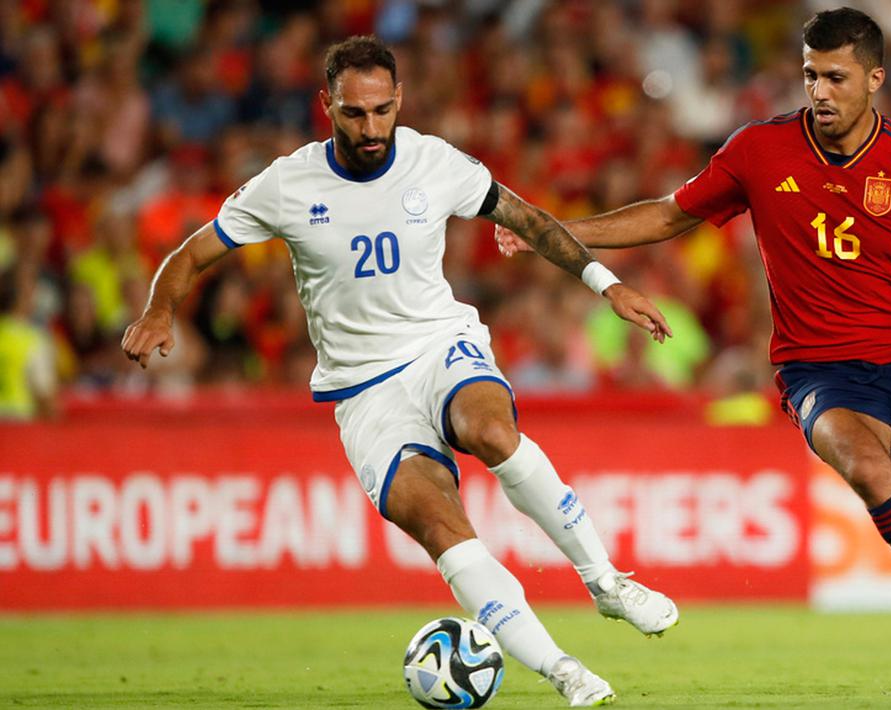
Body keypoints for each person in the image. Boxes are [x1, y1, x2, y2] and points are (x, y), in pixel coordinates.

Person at [498, 7, 891, 695]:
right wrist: (551, 230)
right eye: (809, 75)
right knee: (864, 468)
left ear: (874, 79)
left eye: (835, 77)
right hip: (820, 369)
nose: (819, 91)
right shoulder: (757, 151)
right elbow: (666, 213)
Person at [123, 35, 679, 707]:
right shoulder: (287, 183)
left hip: (437, 345)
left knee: (491, 432)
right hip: (363, 394)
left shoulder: (432, 161)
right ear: (327, 104)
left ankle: (606, 583)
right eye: (355, 114)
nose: (371, 128)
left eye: (382, 111)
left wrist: (605, 284)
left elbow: (528, 218)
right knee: (444, 527)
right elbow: (192, 252)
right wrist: (159, 311)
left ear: (400, 101)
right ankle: (564, 672)